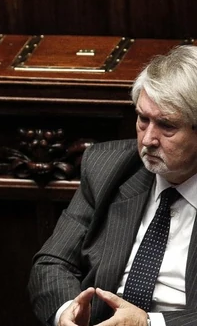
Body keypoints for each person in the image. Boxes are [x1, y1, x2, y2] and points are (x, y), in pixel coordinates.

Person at [29, 44, 197, 326]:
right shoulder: (108, 167)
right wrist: (69, 311)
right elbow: (52, 263)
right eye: (143, 119)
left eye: (167, 126)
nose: (148, 139)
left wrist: (148, 323)